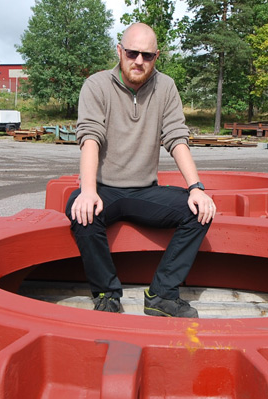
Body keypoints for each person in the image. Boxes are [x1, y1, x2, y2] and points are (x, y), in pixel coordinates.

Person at [66, 23, 216, 318]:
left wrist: (196, 187)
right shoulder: (96, 86)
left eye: (147, 55)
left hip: (144, 191)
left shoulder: (166, 87)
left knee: (199, 211)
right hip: (104, 190)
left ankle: (161, 295)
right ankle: (107, 294)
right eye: (132, 53)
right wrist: (87, 190)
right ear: (119, 51)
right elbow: (90, 138)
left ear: (156, 56)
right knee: (78, 209)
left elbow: (176, 138)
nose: (138, 61)